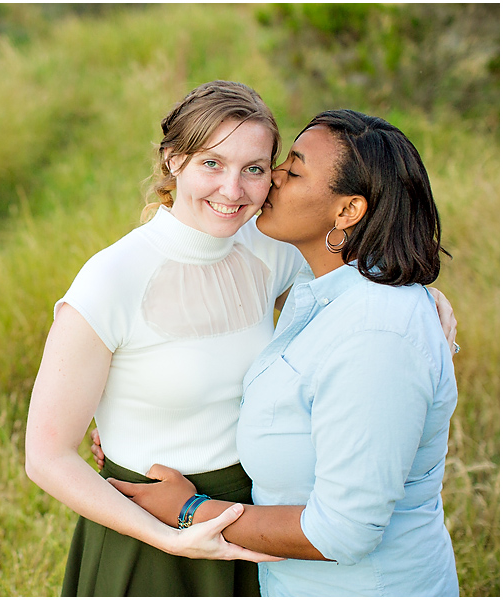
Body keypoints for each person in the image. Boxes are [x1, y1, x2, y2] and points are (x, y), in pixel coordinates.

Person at [103, 110, 460, 596]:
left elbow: (343, 531)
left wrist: (191, 512)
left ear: (348, 211)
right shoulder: (326, 290)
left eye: (292, 171)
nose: (271, 178)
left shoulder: (377, 335)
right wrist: (141, 428)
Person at [25, 80, 305, 596]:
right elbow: (46, 454)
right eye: (212, 164)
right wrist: (168, 538)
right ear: (174, 161)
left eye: (254, 169)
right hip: (147, 530)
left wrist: (427, 299)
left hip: (249, 515)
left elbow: (352, 279)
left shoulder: (271, 252)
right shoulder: (112, 278)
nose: (233, 190)